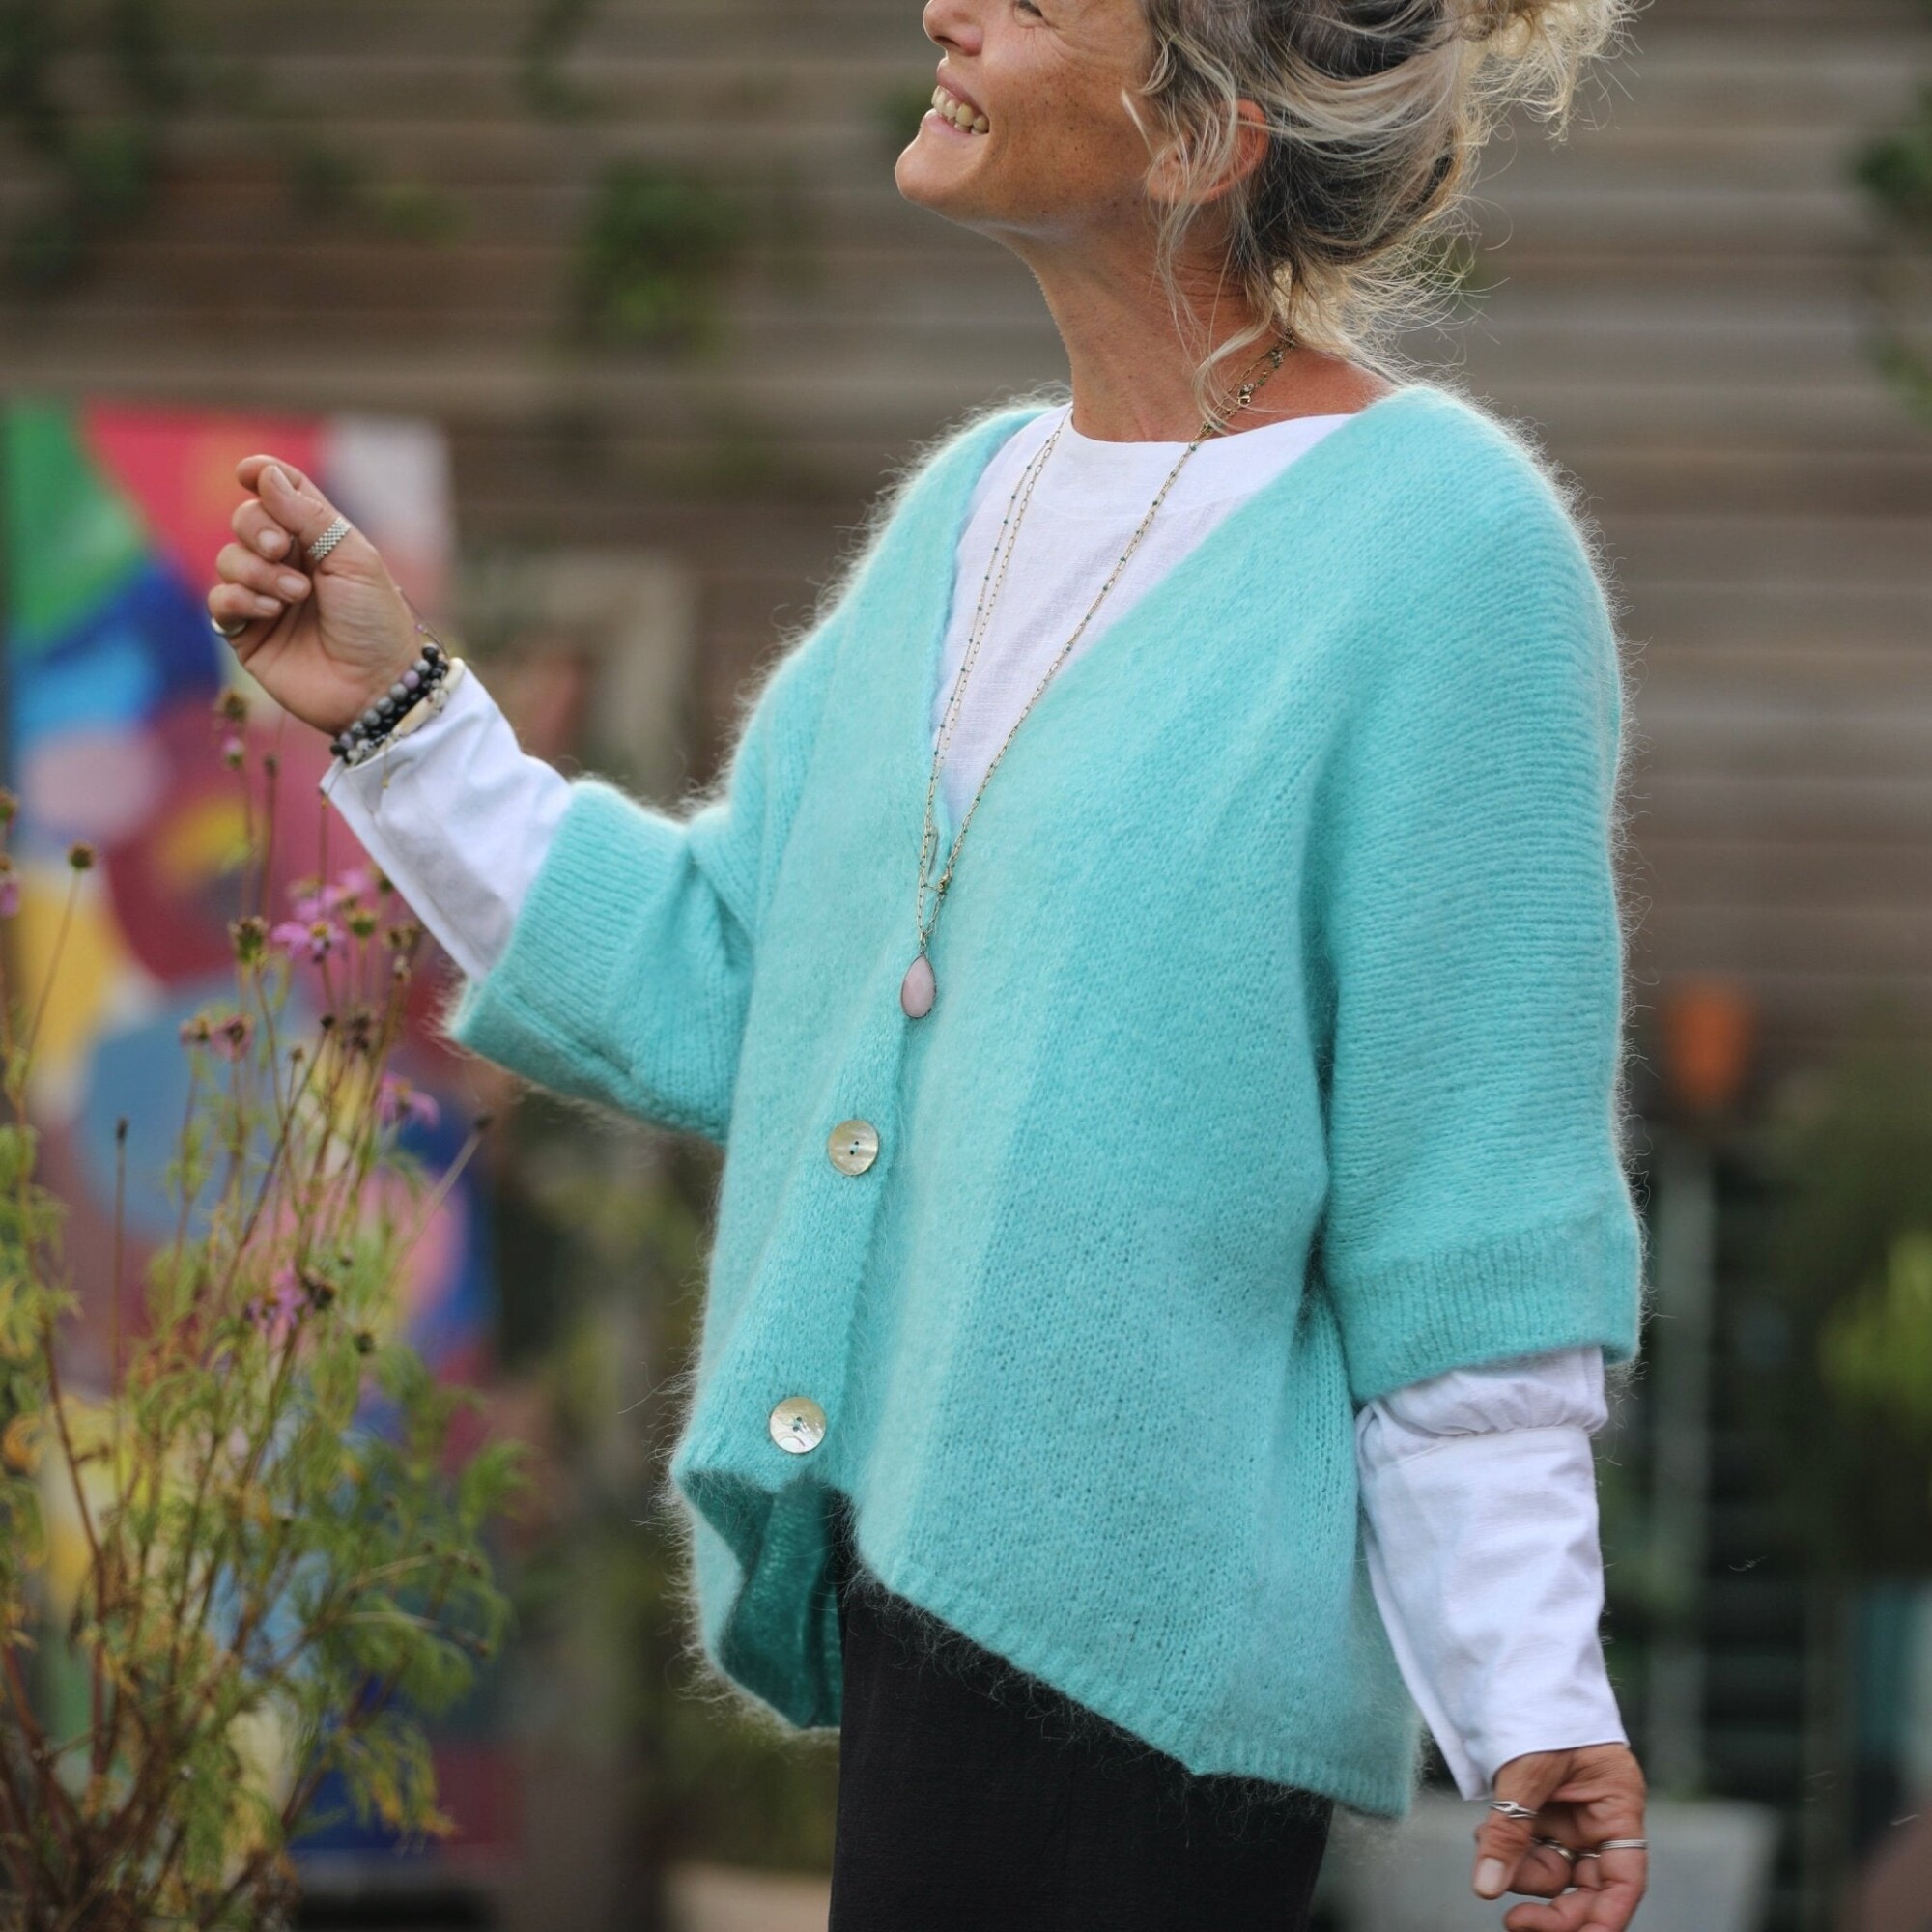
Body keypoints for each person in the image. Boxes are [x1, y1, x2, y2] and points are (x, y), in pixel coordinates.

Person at [208, 0, 1654, 1923]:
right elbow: (736, 976)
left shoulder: (1447, 555)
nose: (948, 9)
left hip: (1144, 1692)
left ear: (1202, 134)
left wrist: (1530, 1694)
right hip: (920, 1620)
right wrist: (400, 718)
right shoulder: (970, 510)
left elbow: (1465, 1201)